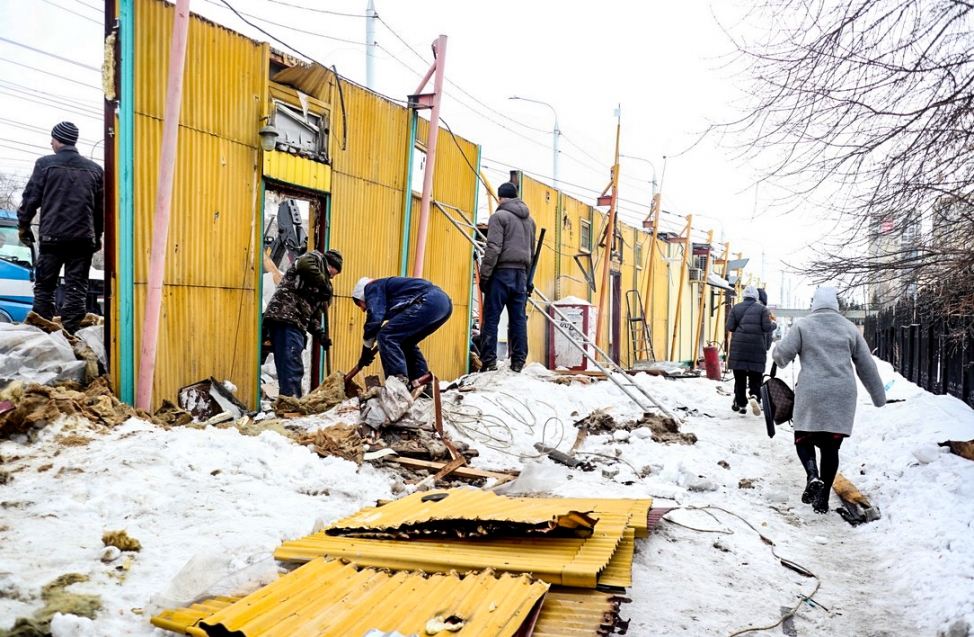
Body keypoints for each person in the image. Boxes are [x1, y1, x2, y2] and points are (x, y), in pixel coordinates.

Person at [772, 286, 886, 514]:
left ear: (814, 305)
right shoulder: (849, 328)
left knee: (803, 437)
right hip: (842, 394)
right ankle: (822, 499)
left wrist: (776, 350)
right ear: (836, 305)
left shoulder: (803, 326)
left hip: (812, 393)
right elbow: (866, 365)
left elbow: (782, 357)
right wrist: (879, 397)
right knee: (831, 447)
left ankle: (812, 474)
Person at [17, 121, 104, 335]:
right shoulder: (95, 170)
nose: (50, 142)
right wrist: (97, 237)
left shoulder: (45, 164)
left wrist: (23, 225)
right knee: (76, 289)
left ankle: (43, 334)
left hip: (52, 238)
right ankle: (69, 334)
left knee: (45, 287)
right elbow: (100, 210)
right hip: (83, 240)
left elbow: (31, 199)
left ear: (58, 140)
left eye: (52, 138)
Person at [263, 249, 343, 397]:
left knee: (288, 365)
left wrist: (320, 334)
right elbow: (305, 264)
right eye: (335, 272)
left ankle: (289, 401)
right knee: (291, 364)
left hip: (294, 321)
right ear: (330, 265)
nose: (333, 276)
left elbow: (311, 316)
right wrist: (323, 285)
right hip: (286, 317)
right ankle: (291, 404)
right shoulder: (316, 258)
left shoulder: (318, 286)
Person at [478, 181, 536, 373]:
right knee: (518, 319)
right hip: (521, 274)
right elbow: (532, 253)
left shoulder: (499, 217)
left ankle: (489, 361)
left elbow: (493, 248)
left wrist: (485, 275)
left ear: (501, 198)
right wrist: (527, 279)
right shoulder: (530, 221)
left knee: (491, 318)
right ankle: (518, 361)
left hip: (501, 272)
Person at [351, 276, 453, 383]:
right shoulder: (388, 290)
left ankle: (397, 382)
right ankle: (422, 383)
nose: (363, 309)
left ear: (362, 296)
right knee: (406, 342)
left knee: (386, 336)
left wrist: (366, 348)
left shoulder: (372, 287)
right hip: (444, 305)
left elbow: (375, 318)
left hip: (428, 300)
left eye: (359, 304)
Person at [726, 284, 776, 415]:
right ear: (756, 296)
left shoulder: (735, 308)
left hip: (738, 348)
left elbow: (730, 327)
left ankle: (741, 404)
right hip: (756, 348)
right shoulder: (762, 309)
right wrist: (774, 325)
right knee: (755, 375)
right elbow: (766, 328)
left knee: (740, 377)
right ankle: (754, 396)